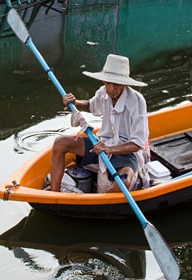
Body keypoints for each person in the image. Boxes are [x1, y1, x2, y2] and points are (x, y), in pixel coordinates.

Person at [49, 54, 150, 194]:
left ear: (124, 84)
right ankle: (55, 193)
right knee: (60, 142)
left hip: (125, 152)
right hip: (101, 144)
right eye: (108, 83)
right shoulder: (103, 93)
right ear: (103, 81)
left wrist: (110, 149)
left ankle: (103, 203)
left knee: (124, 182)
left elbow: (137, 144)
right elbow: (91, 106)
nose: (111, 88)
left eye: (117, 84)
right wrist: (76, 102)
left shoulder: (137, 102)